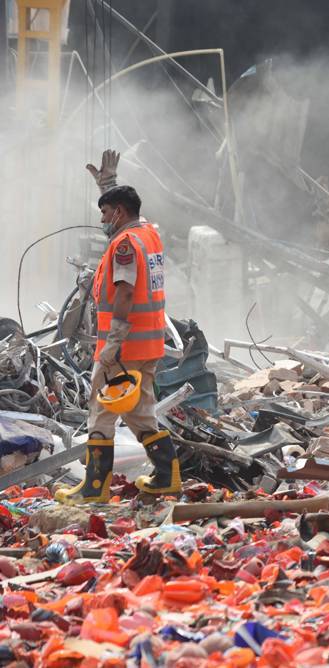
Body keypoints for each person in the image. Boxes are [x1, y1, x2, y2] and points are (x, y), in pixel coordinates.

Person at [56, 152, 179, 504]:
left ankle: (94, 488)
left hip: (123, 349)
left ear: (119, 213)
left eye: (106, 211)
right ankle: (167, 477)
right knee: (142, 414)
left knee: (101, 412)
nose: (102, 219)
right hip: (148, 346)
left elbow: (124, 291)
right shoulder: (148, 233)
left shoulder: (125, 244)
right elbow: (132, 210)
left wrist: (113, 343)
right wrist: (108, 185)